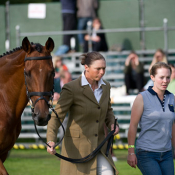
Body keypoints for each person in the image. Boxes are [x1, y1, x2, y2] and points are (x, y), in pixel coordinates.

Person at [47, 51, 119, 175]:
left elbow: (108, 110)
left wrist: (112, 123)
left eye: (104, 68)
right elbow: (56, 117)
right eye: (98, 69)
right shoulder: (71, 88)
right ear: (86, 68)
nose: (102, 72)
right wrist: (51, 140)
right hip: (77, 150)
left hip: (99, 147)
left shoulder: (106, 86)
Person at [127, 62, 175, 175]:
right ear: (152, 77)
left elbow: (173, 125)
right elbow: (133, 126)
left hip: (167, 153)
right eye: (161, 77)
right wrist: (130, 152)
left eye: (168, 77)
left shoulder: (172, 97)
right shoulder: (141, 98)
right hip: (146, 152)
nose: (165, 81)